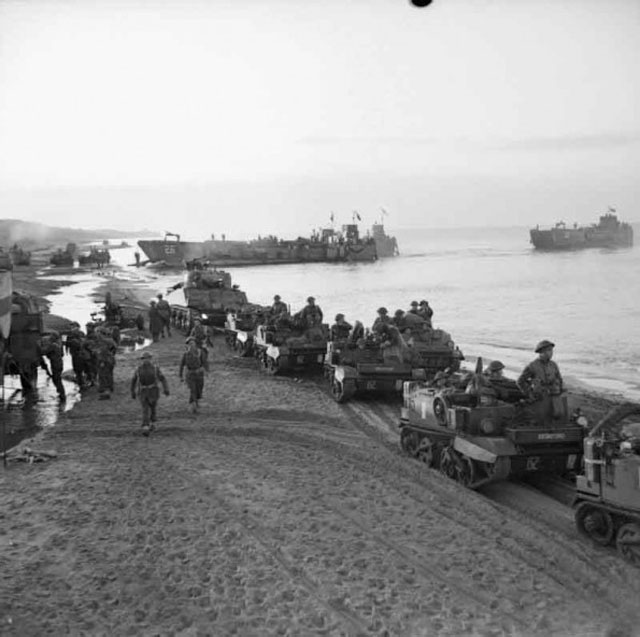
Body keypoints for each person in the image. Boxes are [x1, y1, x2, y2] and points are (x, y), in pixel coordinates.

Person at [517, 340, 564, 419]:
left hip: (554, 397)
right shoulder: (532, 366)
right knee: (540, 419)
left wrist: (560, 391)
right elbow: (520, 381)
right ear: (541, 352)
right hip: (539, 398)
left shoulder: (553, 365)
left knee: (558, 416)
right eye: (548, 350)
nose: (551, 353)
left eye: (551, 350)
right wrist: (529, 394)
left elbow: (559, 379)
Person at [131, 351, 170, 436]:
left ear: (150, 359)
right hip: (143, 392)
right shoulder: (138, 369)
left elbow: (162, 378)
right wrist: (132, 391)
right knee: (145, 409)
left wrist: (166, 389)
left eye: (147, 358)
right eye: (144, 359)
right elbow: (133, 380)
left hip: (153, 391)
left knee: (153, 408)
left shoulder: (155, 368)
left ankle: (153, 422)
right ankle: (145, 426)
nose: (146, 360)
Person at [179, 338, 210, 413]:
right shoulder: (185, 355)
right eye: (189, 344)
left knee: (199, 389)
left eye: (192, 343)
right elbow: (181, 365)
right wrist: (181, 376)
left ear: (195, 344)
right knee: (193, 390)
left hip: (199, 374)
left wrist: (207, 370)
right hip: (190, 375)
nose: (191, 345)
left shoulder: (200, 352)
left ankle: (196, 401)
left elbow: (204, 362)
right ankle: (192, 405)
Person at [40, 331, 66, 400]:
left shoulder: (53, 345)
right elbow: (62, 354)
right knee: (57, 379)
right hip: (59, 363)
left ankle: (62, 394)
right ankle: (60, 393)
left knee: (56, 379)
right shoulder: (58, 345)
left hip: (55, 364)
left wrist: (38, 346)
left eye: (51, 336)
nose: (50, 337)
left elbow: (43, 351)